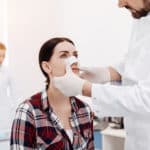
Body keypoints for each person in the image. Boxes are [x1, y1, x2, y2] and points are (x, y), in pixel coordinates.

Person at [52, 1, 150, 150]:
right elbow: (136, 63)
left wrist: (86, 88)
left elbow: (146, 98)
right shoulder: (142, 17)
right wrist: (106, 74)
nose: (120, 4)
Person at [10, 37, 94, 150]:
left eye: (75, 55)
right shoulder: (28, 111)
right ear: (47, 67)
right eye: (64, 55)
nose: (74, 60)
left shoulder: (85, 110)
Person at [0, 42, 18, 138]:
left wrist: (15, 110)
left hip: (4, 112)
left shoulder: (7, 72)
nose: (1, 59)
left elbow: (15, 93)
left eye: (3, 56)